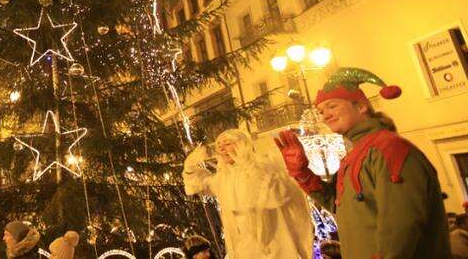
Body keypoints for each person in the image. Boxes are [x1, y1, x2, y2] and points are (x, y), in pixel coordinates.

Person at [275, 67, 452, 258]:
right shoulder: (356, 155)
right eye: (321, 111)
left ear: (361, 106)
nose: (325, 116)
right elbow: (341, 207)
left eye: (332, 106)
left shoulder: (389, 149)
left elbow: (400, 226)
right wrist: (302, 172)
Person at [183, 128, 312, 257]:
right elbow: (199, 183)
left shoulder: (263, 168)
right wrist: (190, 167)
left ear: (242, 144)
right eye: (219, 146)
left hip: (274, 240)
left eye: (227, 144)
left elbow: (281, 193)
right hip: (245, 245)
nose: (222, 149)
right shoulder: (223, 179)